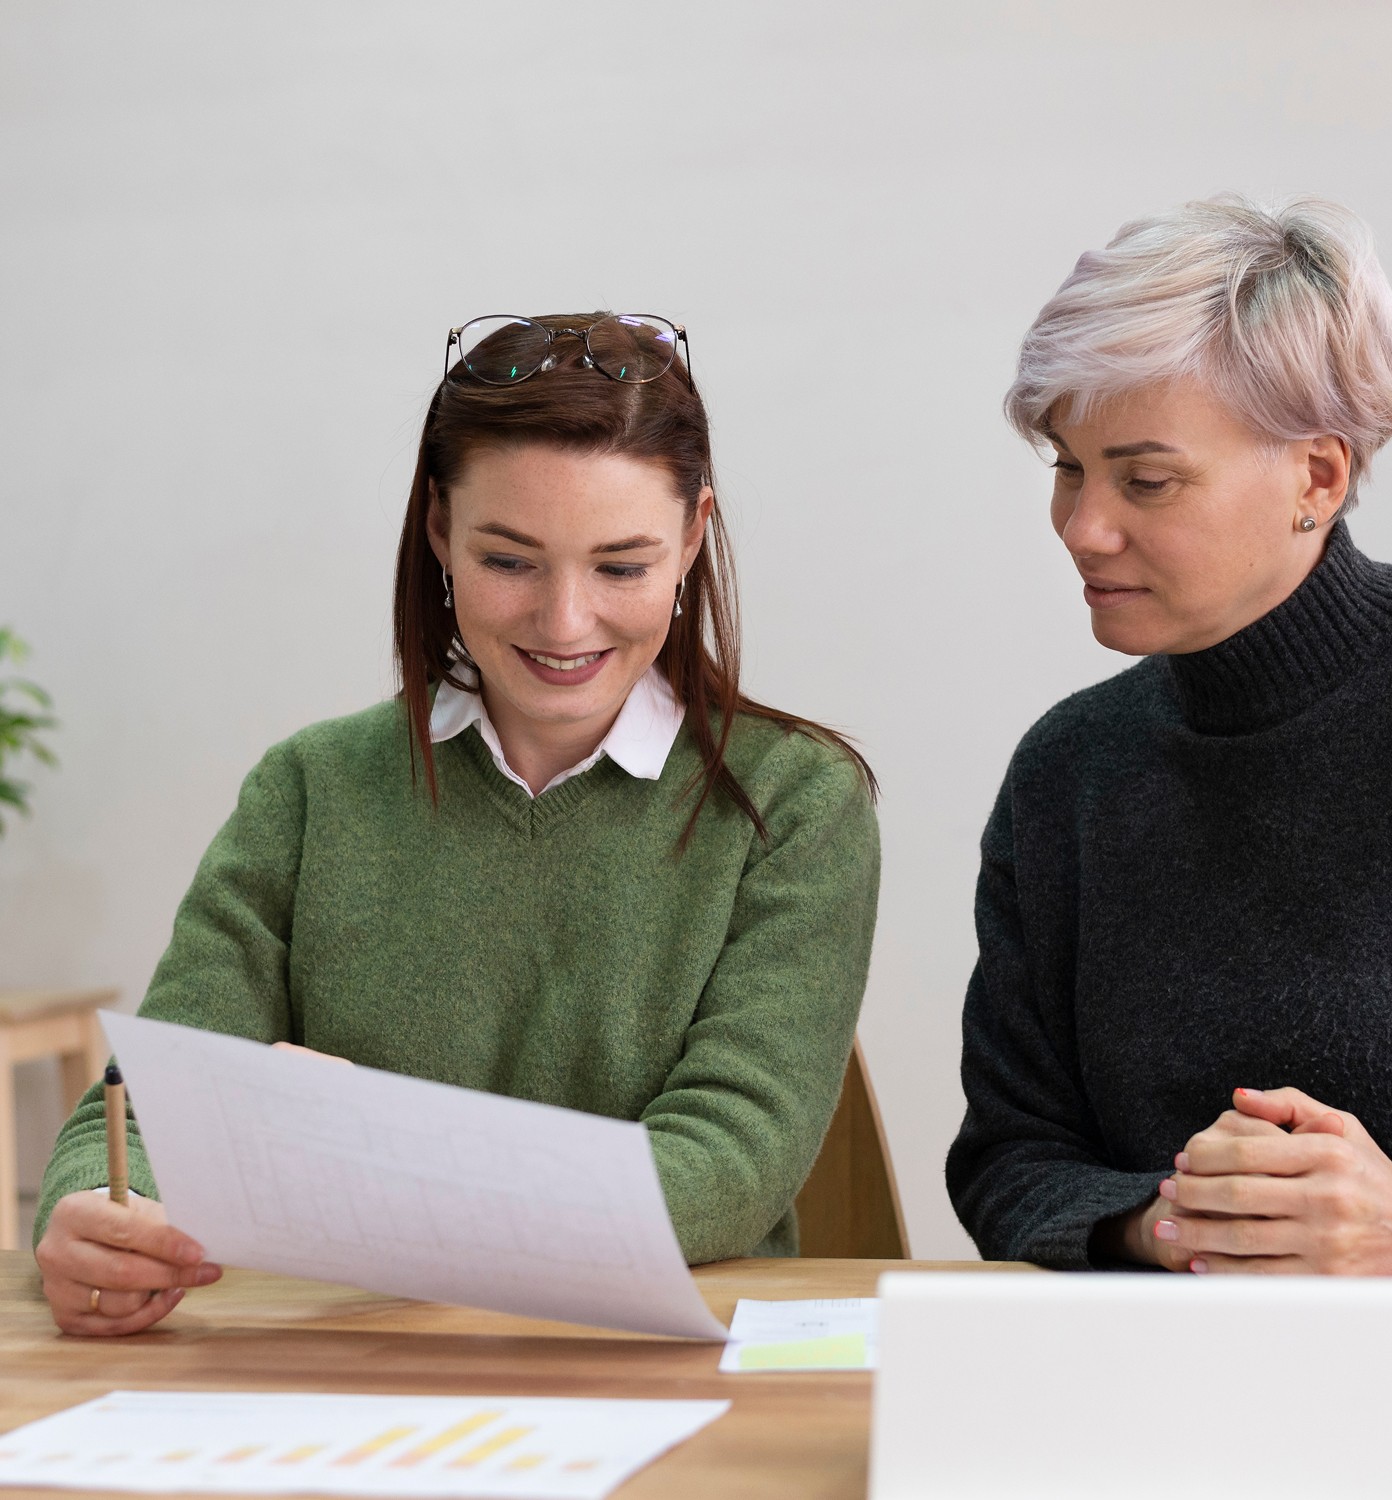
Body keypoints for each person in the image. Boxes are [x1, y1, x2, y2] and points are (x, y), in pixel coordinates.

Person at [35, 311, 881, 1334]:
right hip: (350, 1365)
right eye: (510, 560)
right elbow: (147, 1101)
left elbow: (721, 1170)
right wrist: (97, 1205)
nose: (565, 622)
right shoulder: (313, 788)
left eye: (620, 566)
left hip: (657, 1368)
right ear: (440, 529)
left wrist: (362, 1155)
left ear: (695, 534)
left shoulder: (794, 802)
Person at [947, 198, 1392, 1275]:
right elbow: (1010, 1159)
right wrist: (1171, 1223)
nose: (1081, 527)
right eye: (1068, 467)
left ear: (1319, 476)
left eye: (1146, 480)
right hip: (1148, 1386)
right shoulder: (1069, 772)